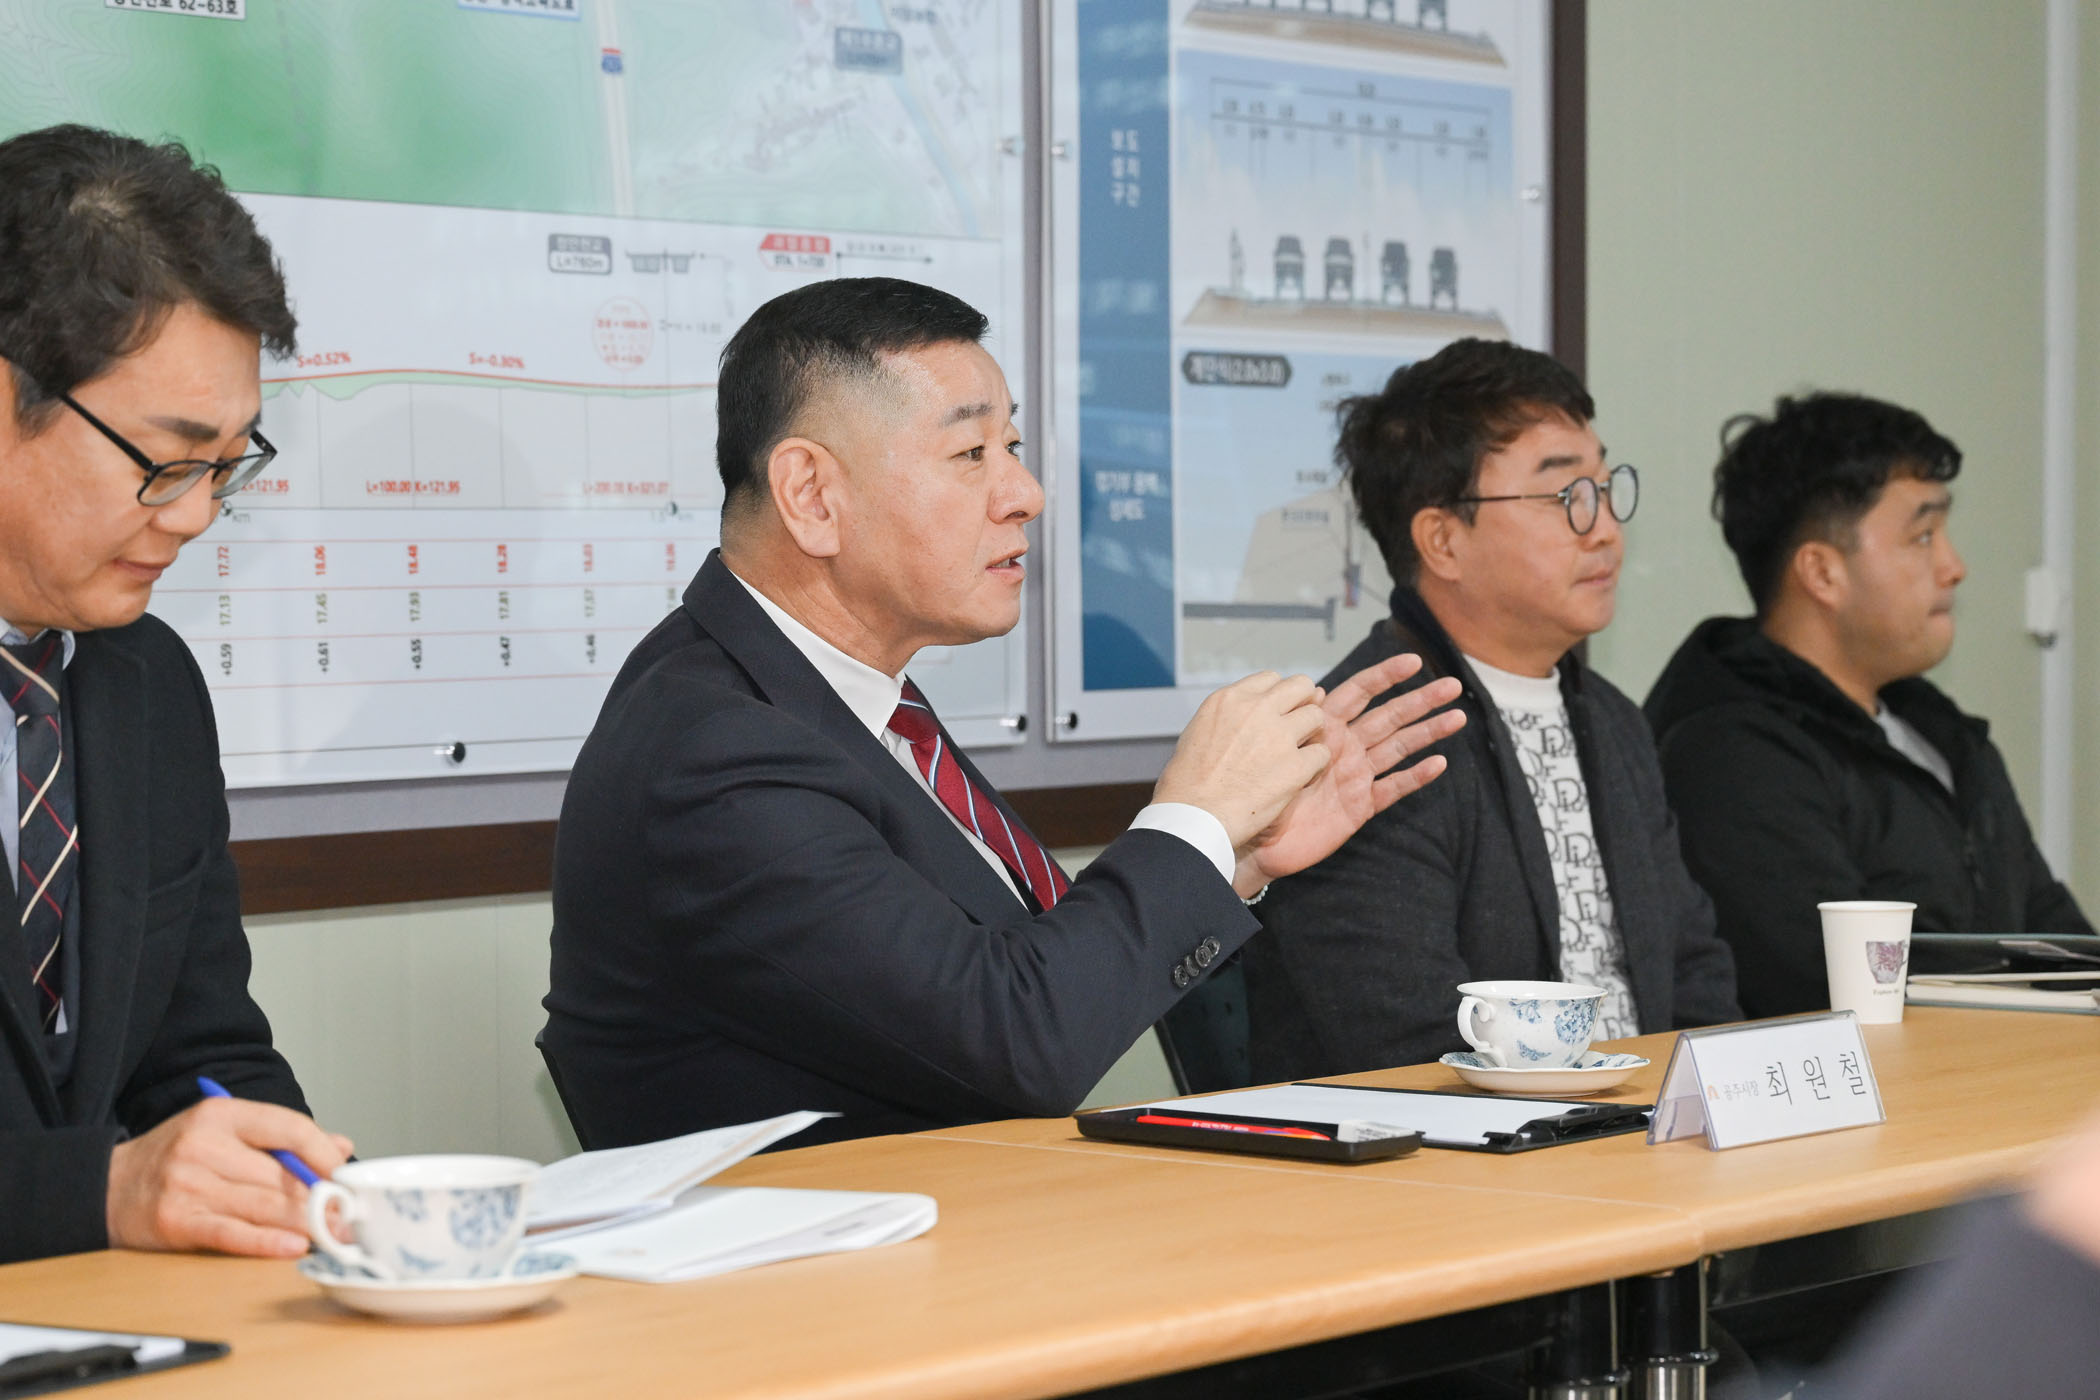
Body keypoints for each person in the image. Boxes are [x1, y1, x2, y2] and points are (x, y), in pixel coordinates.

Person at [541, 277, 1465, 1149]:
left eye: (1011, 447)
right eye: (970, 454)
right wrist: (1196, 819)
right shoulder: (718, 750)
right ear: (813, 496)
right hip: (821, 1259)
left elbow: (1023, 969)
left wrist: (1239, 853)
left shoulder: (840, 698)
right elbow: (1017, 1041)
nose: (1025, 494)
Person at [0, 125, 351, 1264]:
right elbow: (106, 1174)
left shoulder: (144, 682)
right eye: (165, 459)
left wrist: (309, 1192)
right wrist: (94, 1193)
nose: (196, 514)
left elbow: (198, 1056)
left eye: (226, 466)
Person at [1242, 338, 1739, 1081]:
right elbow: (1406, 1045)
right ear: (1443, 540)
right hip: (1471, 1142)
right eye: (1565, 496)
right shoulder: (1375, 739)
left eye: (1606, 488)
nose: (1606, 527)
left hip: (1640, 1124)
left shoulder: (1613, 720)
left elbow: (1694, 968)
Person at [1644, 393, 2089, 1018]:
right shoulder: (1730, 757)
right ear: (1822, 574)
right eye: (1922, 536)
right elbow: (1838, 993)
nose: (1954, 567)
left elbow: (2062, 946)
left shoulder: (1942, 734)